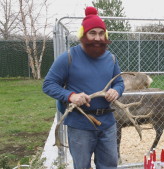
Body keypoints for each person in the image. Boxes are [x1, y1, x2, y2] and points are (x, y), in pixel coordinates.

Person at [43, 6, 124, 169]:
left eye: (101, 33)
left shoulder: (111, 58)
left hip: (107, 124)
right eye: (92, 33)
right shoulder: (69, 57)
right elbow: (48, 84)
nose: (97, 38)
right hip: (80, 125)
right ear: (83, 35)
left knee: (109, 165)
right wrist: (70, 96)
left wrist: (116, 91)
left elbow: (119, 82)